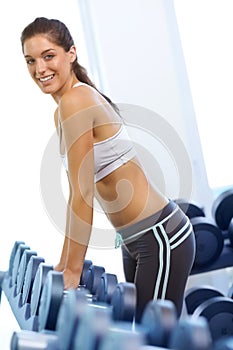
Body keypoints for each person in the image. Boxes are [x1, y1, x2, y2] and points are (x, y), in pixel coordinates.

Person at [21, 17, 196, 322]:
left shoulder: (77, 100)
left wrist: (73, 271)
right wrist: (62, 267)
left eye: (49, 56)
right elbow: (76, 194)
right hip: (134, 240)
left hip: (160, 236)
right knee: (139, 332)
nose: (40, 69)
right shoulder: (62, 112)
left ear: (70, 54)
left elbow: (83, 194)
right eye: (31, 61)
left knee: (154, 339)